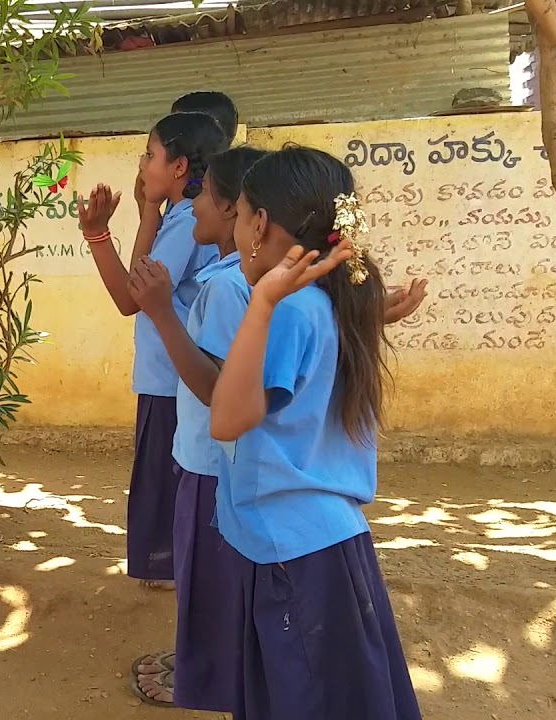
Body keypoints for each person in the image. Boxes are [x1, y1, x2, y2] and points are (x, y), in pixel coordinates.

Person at [203, 146, 422, 719]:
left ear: (259, 225)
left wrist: (262, 302)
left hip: (293, 550)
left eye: (240, 214)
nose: (237, 229)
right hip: (322, 540)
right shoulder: (332, 301)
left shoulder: (291, 309)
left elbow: (226, 419)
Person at [125, 145, 267, 710]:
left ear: (234, 210)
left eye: (204, 194)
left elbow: (215, 388)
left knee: (207, 581)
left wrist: (162, 311)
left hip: (211, 462)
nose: (195, 205)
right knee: (208, 578)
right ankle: (201, 665)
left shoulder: (226, 287)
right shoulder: (235, 278)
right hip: (214, 459)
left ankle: (207, 677)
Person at [76, 112, 230, 590]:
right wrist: (147, 211)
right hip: (167, 374)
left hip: (172, 377)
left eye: (150, 154)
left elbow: (131, 297)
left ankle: (170, 569)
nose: (142, 164)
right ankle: (170, 566)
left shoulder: (185, 225)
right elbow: (140, 281)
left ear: (179, 166)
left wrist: (97, 236)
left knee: (169, 480)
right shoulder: (177, 219)